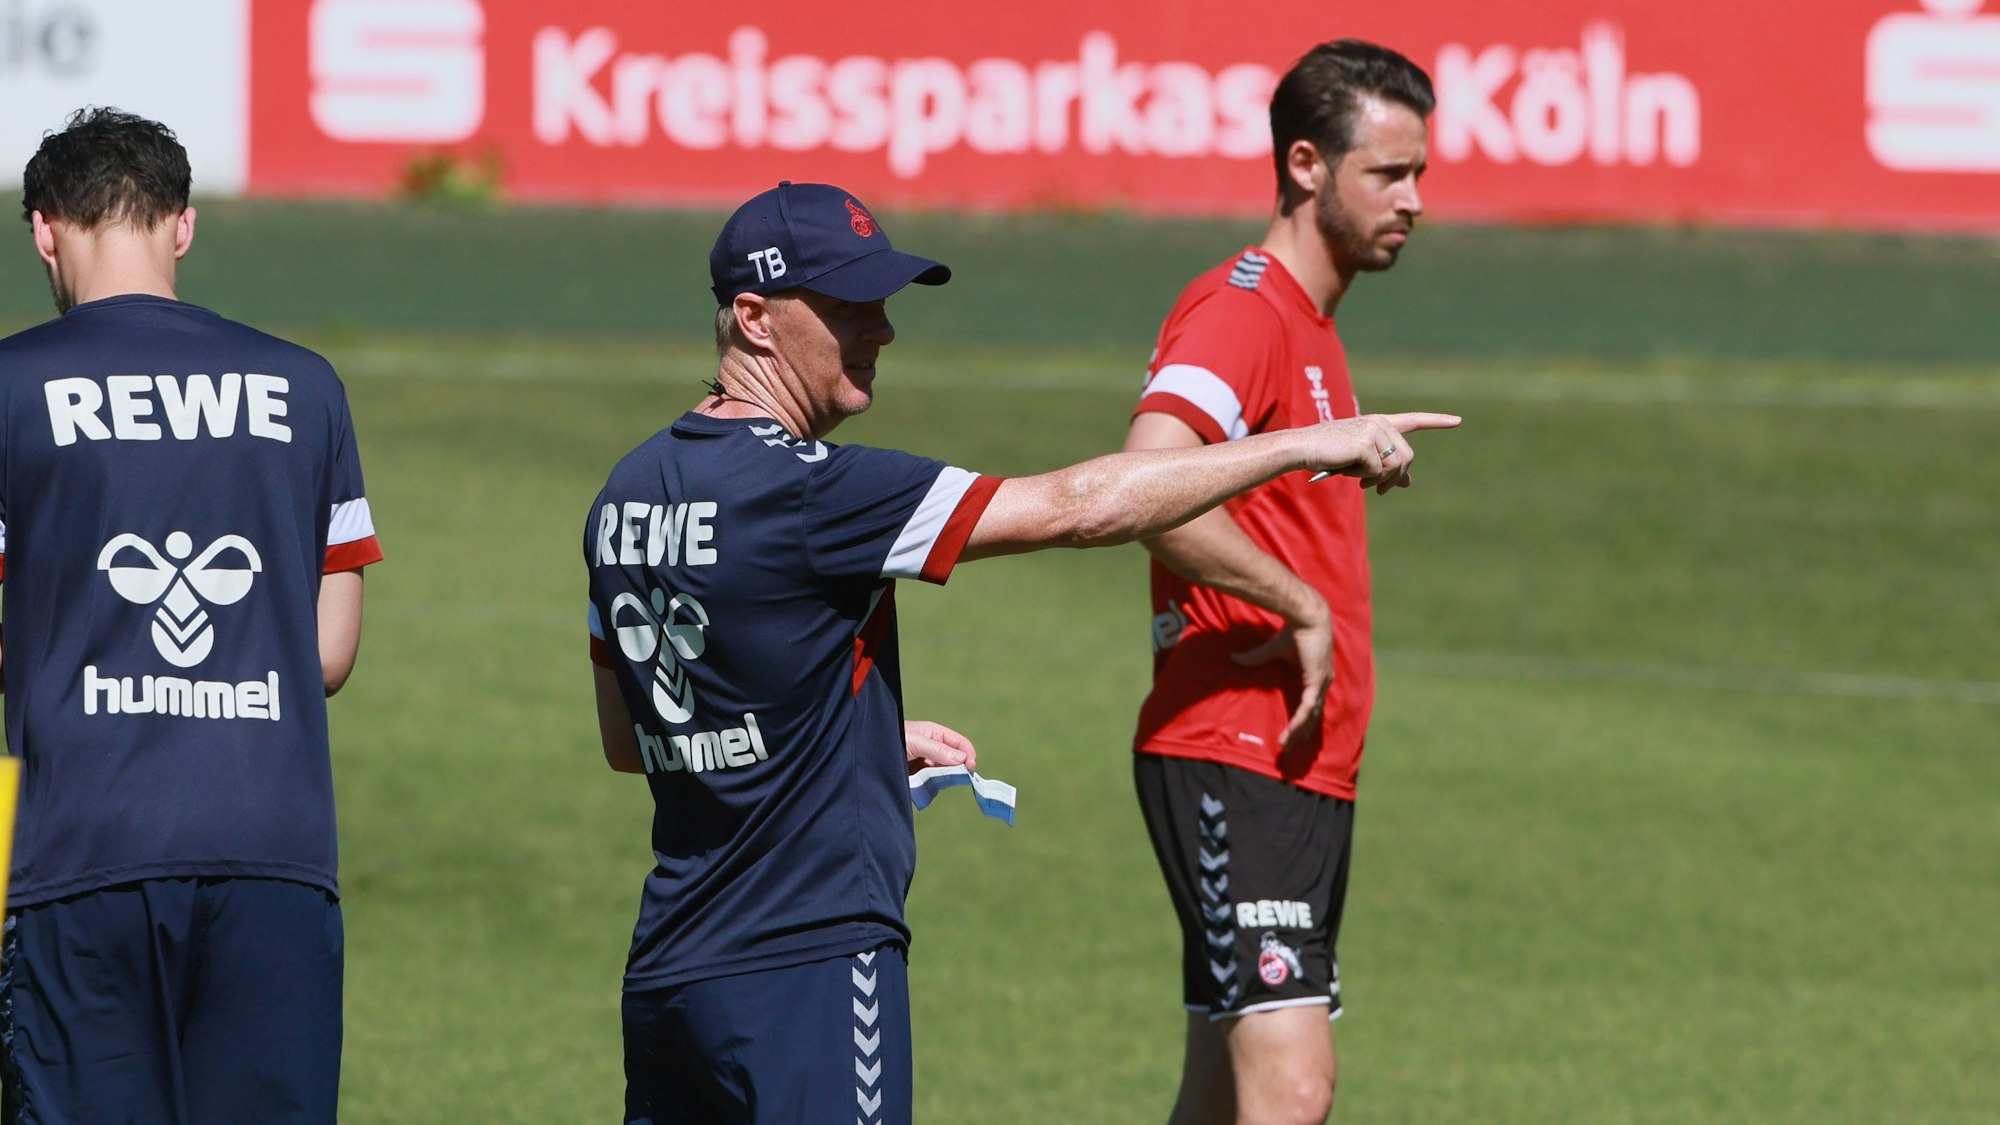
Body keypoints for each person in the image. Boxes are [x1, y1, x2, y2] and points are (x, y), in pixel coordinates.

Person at [585, 180, 1456, 1125]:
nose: (882, 330)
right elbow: (1086, 508)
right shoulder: (816, 492)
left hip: (673, 968)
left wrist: (856, 734)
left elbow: (636, 737)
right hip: (811, 958)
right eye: (848, 307)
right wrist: (1307, 443)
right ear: (754, 319)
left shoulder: (624, 494)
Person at [0, 108, 382, 1123]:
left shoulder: (12, 385)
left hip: (84, 851)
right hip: (276, 855)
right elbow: (329, 652)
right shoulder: (306, 386)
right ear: (182, 226)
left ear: (43, 230)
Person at [1120, 40, 1440, 1125]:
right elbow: (1145, 475)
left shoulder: (1309, 327)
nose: (1413, 201)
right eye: (1386, 174)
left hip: (1292, 761)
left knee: (1220, 1100)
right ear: (1305, 165)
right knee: (1290, 1089)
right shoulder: (1245, 309)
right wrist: (1295, 600)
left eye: (1419, 174)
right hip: (1232, 751)